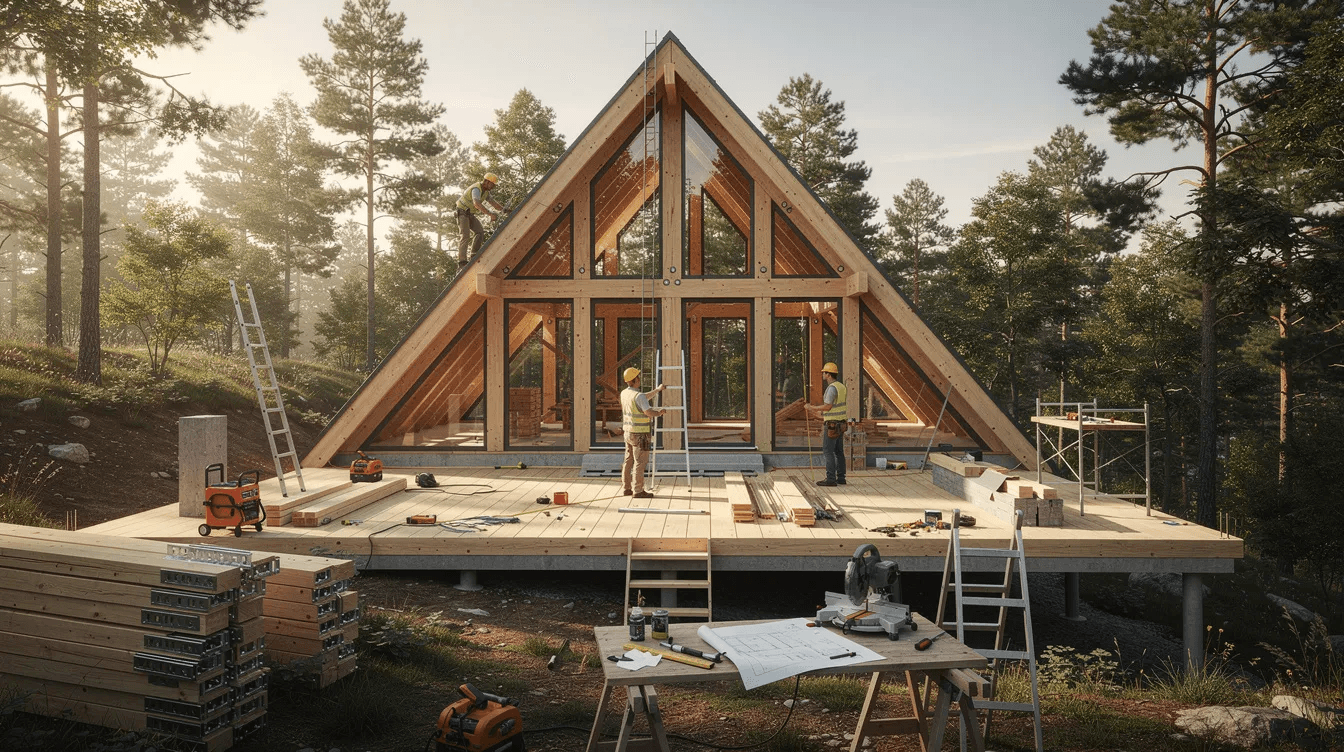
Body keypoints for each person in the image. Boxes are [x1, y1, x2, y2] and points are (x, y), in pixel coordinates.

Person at [620, 366, 666, 498]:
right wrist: (659, 413)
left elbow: (643, 398)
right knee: (640, 462)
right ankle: (638, 490)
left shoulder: (625, 393)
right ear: (635, 380)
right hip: (640, 434)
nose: (640, 379)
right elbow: (648, 412)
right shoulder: (638, 396)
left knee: (628, 460)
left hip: (628, 432)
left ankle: (626, 488)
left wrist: (657, 390)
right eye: (638, 377)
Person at [806, 361, 847, 487]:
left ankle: (830, 479)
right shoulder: (841, 386)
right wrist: (820, 415)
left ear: (829, 375)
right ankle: (841, 478)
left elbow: (828, 406)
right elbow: (836, 407)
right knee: (839, 451)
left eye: (824, 372)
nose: (823, 374)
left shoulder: (831, 388)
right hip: (841, 423)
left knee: (828, 451)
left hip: (832, 426)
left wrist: (812, 408)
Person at [456, 172, 506, 266]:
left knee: (479, 231)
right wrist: (490, 214)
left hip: (470, 214)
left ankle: (474, 255)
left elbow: (493, 203)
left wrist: (505, 210)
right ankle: (462, 261)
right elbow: (477, 204)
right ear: (486, 182)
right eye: (492, 184)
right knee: (465, 235)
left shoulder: (486, 192)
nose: (493, 186)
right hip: (462, 213)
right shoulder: (476, 189)